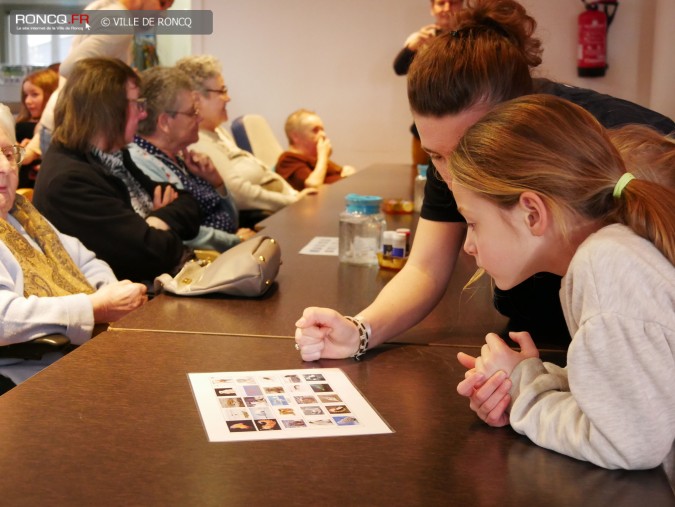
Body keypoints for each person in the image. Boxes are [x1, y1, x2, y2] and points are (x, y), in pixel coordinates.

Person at [293, 0, 674, 417]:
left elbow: (635, 419)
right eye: (437, 156)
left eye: (465, 151)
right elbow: (425, 267)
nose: (455, 175)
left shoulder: (621, 147)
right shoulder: (452, 149)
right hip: (561, 363)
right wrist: (359, 331)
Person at [453, 94, 675, 470]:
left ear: (532, 212)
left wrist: (526, 396)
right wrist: (524, 381)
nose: (468, 245)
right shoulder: (610, 254)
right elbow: (626, 391)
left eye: (473, 223)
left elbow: (630, 444)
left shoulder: (606, 268)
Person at [0, 103, 147, 391]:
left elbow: (86, 260)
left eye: (7, 154)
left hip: (75, 356)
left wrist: (110, 293)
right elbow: (4, 318)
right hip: (25, 378)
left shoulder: (20, 212)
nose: (4, 168)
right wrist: (95, 307)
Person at [33, 57, 201, 283]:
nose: (143, 114)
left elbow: (190, 205)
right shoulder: (68, 181)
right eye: (137, 104)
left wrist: (155, 221)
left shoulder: (113, 155)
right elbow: (153, 254)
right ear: (107, 110)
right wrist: (158, 224)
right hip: (137, 305)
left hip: (163, 284)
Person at [24, 0, 173, 164]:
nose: (163, 14)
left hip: (63, 121)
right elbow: (70, 68)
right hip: (73, 126)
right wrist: (124, 78)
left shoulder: (104, 8)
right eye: (162, 3)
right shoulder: (119, 23)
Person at [174, 55, 316, 227]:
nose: (228, 98)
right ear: (196, 99)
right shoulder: (196, 142)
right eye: (222, 91)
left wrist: (294, 195)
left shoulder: (218, 131)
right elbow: (237, 193)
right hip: (267, 218)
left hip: (284, 207)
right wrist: (291, 201)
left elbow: (262, 171)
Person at [129, 66, 255, 252]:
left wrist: (217, 182)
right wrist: (233, 240)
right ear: (164, 122)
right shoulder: (141, 164)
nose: (199, 118)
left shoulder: (180, 157)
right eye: (192, 113)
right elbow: (181, 232)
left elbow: (230, 220)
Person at [393, 0, 464, 165]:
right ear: (432, 9)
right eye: (441, 3)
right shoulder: (421, 37)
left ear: (462, 5)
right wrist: (412, 48)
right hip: (423, 127)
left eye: (453, 3)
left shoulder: (471, 38)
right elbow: (399, 68)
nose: (446, 8)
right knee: (421, 177)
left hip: (461, 128)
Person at [276, 109, 356, 191]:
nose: (323, 134)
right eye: (315, 130)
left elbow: (343, 171)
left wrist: (348, 172)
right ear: (295, 136)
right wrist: (323, 156)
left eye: (322, 130)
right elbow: (313, 185)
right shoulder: (288, 160)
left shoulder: (314, 158)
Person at [14, 68, 59, 188]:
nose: (28, 101)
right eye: (25, 95)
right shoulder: (21, 122)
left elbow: (26, 157)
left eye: (34, 94)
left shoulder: (47, 129)